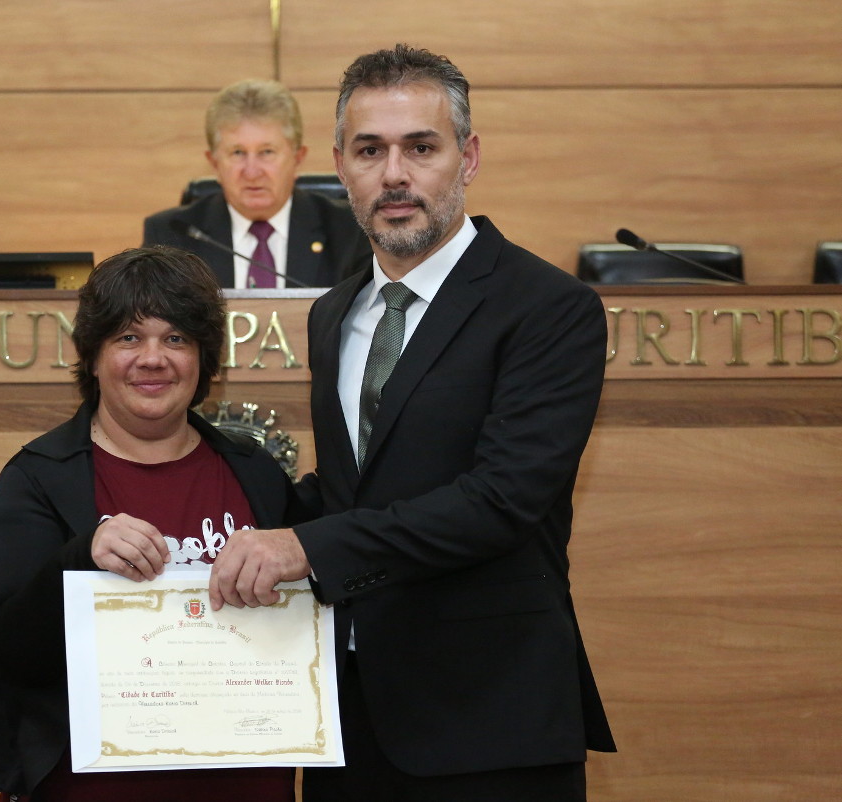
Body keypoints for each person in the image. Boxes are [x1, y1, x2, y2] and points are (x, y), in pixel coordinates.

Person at [208, 44, 616, 801]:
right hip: (348, 718)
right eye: (369, 150)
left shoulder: (548, 308)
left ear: (467, 157)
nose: (393, 174)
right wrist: (194, 514)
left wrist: (305, 545)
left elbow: (501, 501)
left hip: (493, 721)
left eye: (419, 147)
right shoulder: (334, 313)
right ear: (339, 163)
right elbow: (349, 491)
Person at [0, 246, 299, 801]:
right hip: (90, 786)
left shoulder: (255, 472)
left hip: (244, 779)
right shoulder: (38, 478)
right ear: (93, 357)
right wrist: (78, 557)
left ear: (205, 359)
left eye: (176, 339)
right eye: (128, 338)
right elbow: (5, 648)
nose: (153, 359)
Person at [143, 78, 370, 288]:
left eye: (267, 152)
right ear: (214, 163)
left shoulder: (351, 231)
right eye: (237, 152)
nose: (252, 172)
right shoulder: (170, 237)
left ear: (297, 158)